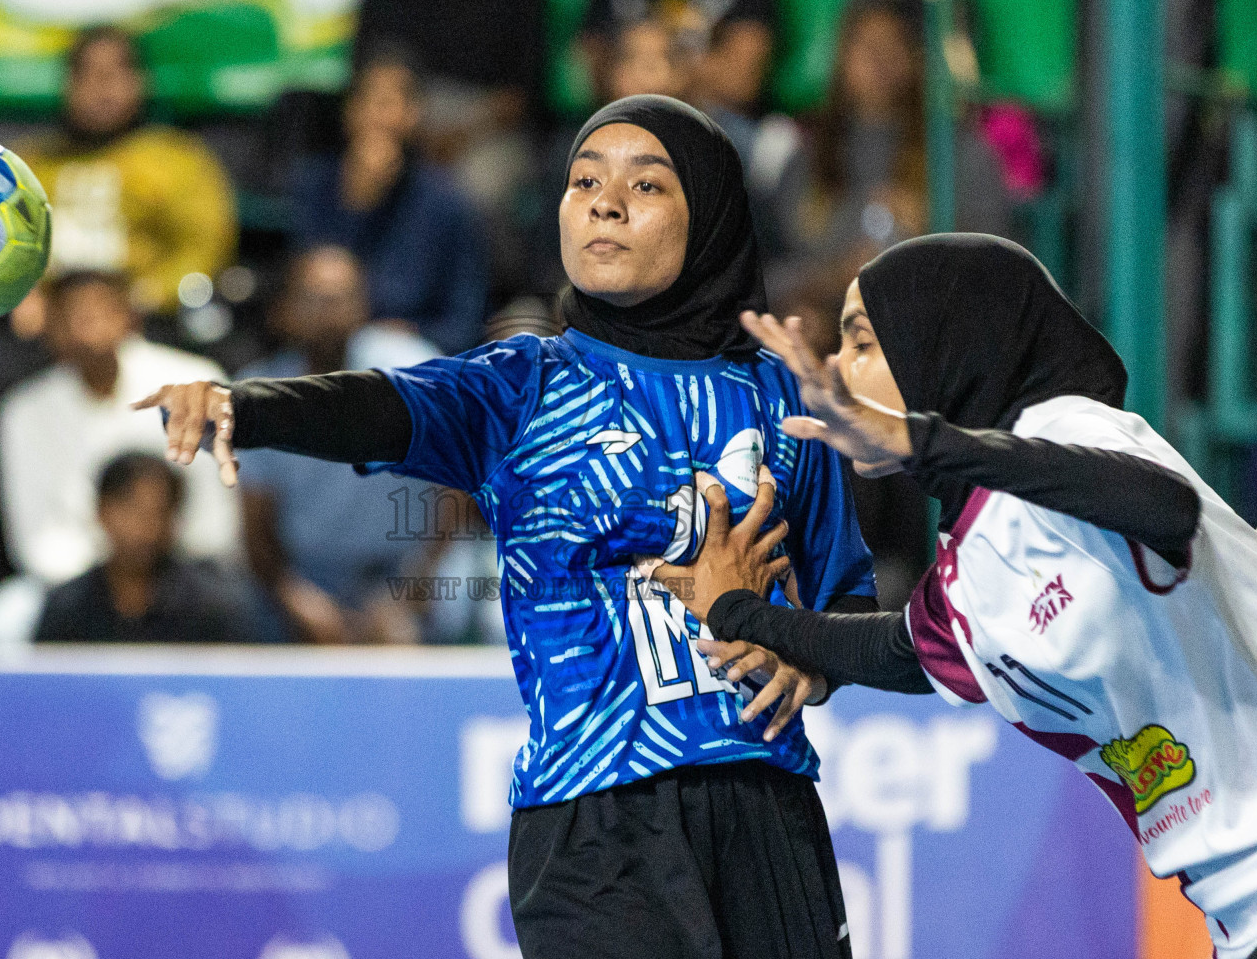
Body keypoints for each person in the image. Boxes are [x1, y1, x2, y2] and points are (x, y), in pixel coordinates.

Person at [143, 95, 877, 959]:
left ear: (710, 217)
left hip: (768, 810)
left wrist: (808, 657)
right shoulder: (525, 383)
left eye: (647, 184)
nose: (605, 202)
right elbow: (384, 407)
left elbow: (848, 602)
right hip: (596, 821)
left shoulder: (784, 394)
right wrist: (245, 406)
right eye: (583, 181)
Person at [659, 233, 1257, 959]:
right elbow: (903, 650)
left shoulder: (1068, 432)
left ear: (940, 344)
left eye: (864, 343)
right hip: (1250, 924)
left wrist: (926, 441)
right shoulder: (965, 560)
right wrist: (741, 615)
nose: (838, 373)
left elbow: (1163, 507)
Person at [764, 0, 1012, 357]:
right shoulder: (806, 157)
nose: (879, 60)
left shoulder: (961, 151)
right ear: (841, 54)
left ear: (919, 57)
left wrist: (932, 235)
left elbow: (1005, 270)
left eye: (895, 44)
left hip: (927, 343)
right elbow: (767, 275)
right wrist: (831, 277)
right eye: (864, 44)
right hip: (830, 343)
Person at [238, 245, 439, 643]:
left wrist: (409, 592)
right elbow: (256, 528)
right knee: (238, 603)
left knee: (465, 589)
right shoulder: (258, 396)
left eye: (340, 298)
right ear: (285, 310)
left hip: (405, 564)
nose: (327, 311)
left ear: (363, 305)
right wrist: (296, 598)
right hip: (305, 570)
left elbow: (463, 488)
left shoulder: (415, 372)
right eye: (312, 299)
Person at [0, 269, 240, 588]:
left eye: (100, 310)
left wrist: (149, 566)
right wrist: (110, 581)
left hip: (185, 575)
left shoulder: (195, 383)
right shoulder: (22, 410)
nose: (88, 325)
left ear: (130, 317)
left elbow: (214, 524)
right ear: (50, 327)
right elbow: (36, 543)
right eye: (74, 314)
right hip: (72, 586)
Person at [16, 26, 238, 318]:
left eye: (115, 74)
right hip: (48, 320)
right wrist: (24, 294)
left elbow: (205, 245)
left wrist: (149, 296)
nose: (102, 89)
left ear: (141, 82)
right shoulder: (31, 163)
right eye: (88, 75)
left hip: (150, 319)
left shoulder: (176, 159)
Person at [282, 48, 487, 354]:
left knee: (378, 349)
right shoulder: (312, 184)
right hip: (313, 348)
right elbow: (296, 289)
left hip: (403, 355)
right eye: (371, 102)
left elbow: (466, 320)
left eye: (391, 104)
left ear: (414, 115)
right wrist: (357, 202)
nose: (379, 118)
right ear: (351, 111)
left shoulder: (446, 202)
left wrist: (414, 331)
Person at [353, 0, 545, 216]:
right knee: (373, 165)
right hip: (402, 118)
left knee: (474, 189)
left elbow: (521, 93)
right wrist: (408, 131)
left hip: (487, 130)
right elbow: (367, 77)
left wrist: (456, 137)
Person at [36, 451, 257, 644]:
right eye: (133, 511)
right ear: (102, 511)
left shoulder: (212, 607)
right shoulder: (66, 606)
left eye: (159, 513)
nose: (146, 530)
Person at [579, 0, 777, 117]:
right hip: (627, 119)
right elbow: (594, 76)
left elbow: (742, 83)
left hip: (717, 120)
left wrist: (665, 69)